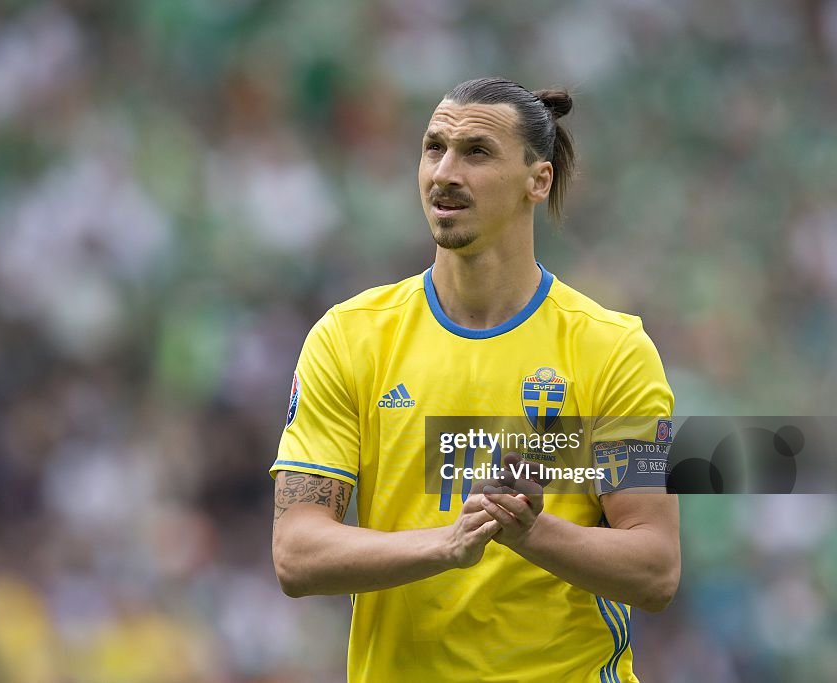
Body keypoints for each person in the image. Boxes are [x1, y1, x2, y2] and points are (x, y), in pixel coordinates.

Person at [270, 77, 679, 683]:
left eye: (477, 153)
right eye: (434, 148)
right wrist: (447, 544)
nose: (445, 172)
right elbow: (297, 553)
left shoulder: (611, 350)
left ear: (537, 181)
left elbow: (654, 567)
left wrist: (530, 532)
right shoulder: (349, 338)